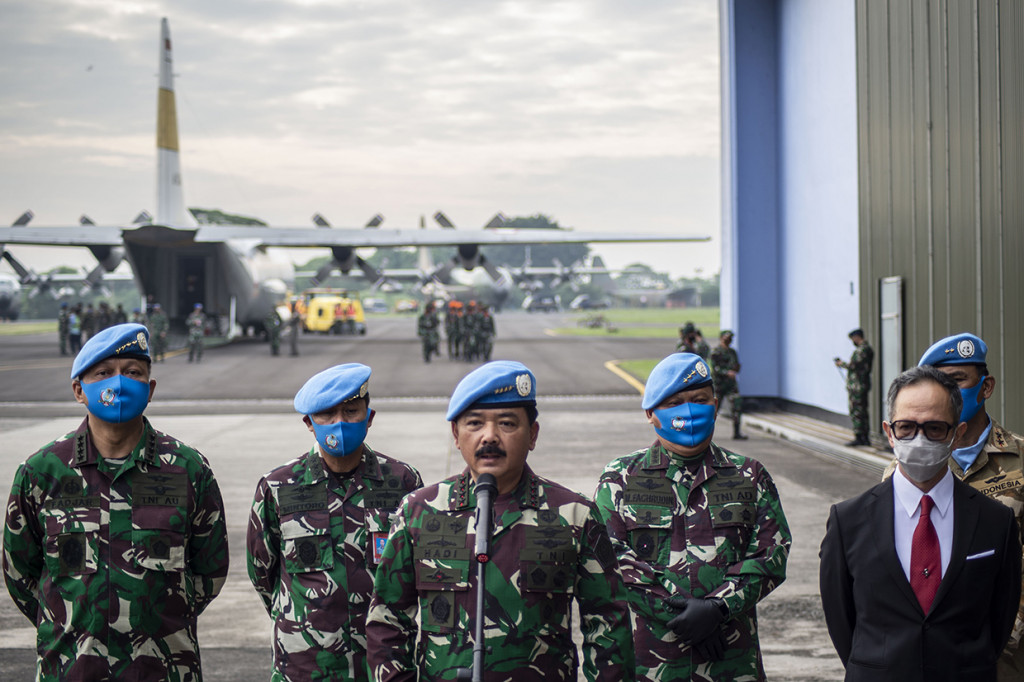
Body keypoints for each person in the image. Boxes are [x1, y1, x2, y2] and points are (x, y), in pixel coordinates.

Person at [366, 360, 636, 681]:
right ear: (456, 434)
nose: (489, 437)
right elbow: (388, 622)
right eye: (475, 424)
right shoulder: (419, 512)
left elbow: (607, 625)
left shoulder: (574, 515)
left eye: (507, 424)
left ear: (532, 434)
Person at [2, 323, 230, 680]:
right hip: (71, 669)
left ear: (149, 389)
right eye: (104, 373)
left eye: (133, 373)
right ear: (79, 390)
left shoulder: (188, 469)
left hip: (163, 670)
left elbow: (209, 570)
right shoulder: (42, 471)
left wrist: (158, 622)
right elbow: (20, 572)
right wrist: (68, 624)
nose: (119, 382)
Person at [594, 352, 791, 681]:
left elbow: (772, 553)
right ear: (650, 413)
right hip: (652, 665)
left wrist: (718, 608)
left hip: (733, 662)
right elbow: (610, 558)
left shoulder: (749, 475)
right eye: (674, 403)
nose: (688, 410)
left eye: (699, 400)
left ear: (715, 404)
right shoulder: (621, 477)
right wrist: (684, 616)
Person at [820, 366, 1021, 681]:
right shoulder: (848, 521)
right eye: (906, 427)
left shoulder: (996, 520)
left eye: (935, 428)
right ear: (889, 432)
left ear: (956, 433)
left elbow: (1000, 616)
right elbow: (841, 620)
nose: (919, 438)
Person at [247, 363, 422, 681]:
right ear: (309, 424)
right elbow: (263, 573)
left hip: (384, 666)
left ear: (369, 418)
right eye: (327, 415)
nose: (339, 423)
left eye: (351, 411)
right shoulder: (277, 486)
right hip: (307, 666)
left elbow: (414, 572)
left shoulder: (403, 482)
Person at [884, 332, 1024, 679]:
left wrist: (1004, 635)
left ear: (986, 387)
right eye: (940, 382)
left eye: (958, 380)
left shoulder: (1021, 459)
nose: (949, 391)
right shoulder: (902, 469)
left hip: (1007, 655)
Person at [834, 328, 874, 446]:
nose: (853, 341)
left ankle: (860, 437)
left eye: (853, 339)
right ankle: (864, 437)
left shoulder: (862, 350)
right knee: (861, 411)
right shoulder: (866, 349)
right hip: (860, 385)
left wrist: (841, 364)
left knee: (857, 411)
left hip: (857, 386)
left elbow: (854, 365)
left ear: (857, 337)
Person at [710, 329, 746, 439]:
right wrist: (726, 372)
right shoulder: (716, 352)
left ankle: (737, 432)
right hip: (719, 385)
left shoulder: (732, 352)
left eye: (730, 338)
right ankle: (705, 433)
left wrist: (735, 369)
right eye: (726, 338)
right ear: (721, 338)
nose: (728, 340)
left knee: (737, 406)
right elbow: (715, 369)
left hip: (731, 385)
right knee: (713, 410)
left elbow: (736, 365)